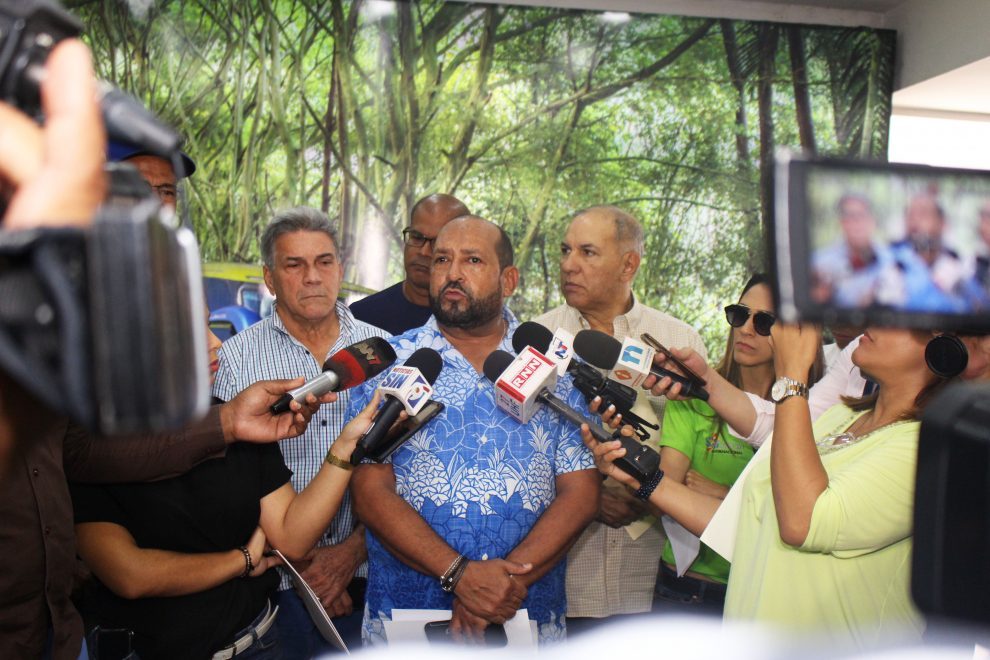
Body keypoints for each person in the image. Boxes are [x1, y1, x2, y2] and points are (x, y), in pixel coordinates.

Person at [0, 40, 326, 660]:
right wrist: (239, 558)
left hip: (51, 629)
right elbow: (123, 562)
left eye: (167, 191)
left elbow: (77, 453)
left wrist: (229, 423)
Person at [585, 323, 961, 650]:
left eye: (899, 319)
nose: (875, 320)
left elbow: (803, 523)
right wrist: (643, 479)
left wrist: (793, 376)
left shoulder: (929, 448)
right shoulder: (842, 416)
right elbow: (748, 524)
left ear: (942, 348)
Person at [70, 314, 385, 660]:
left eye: (207, 324)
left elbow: (292, 538)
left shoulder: (238, 420)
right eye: (189, 330)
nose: (214, 343)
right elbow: (130, 575)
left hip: (259, 644)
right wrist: (243, 560)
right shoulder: (89, 449)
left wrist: (344, 448)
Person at [349, 215, 600, 644]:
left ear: (509, 279)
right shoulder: (394, 363)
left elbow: (580, 492)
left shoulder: (555, 365)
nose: (451, 272)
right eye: (442, 259)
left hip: (525, 616)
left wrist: (501, 586)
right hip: (406, 622)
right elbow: (370, 491)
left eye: (472, 260)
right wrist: (459, 575)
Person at [213, 207, 391, 656]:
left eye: (324, 262)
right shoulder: (237, 358)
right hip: (274, 585)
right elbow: (231, 481)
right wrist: (309, 567)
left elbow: (408, 472)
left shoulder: (384, 349)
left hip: (369, 573)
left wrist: (350, 555)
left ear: (341, 270)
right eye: (295, 264)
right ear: (270, 279)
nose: (313, 277)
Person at [533, 205, 707, 630]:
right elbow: (519, 456)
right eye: (565, 250)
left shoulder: (678, 342)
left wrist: (647, 491)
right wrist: (589, 498)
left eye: (587, 253)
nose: (569, 265)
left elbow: (698, 453)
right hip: (565, 575)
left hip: (653, 579)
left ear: (629, 264)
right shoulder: (537, 339)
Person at [652, 274, 822, 615]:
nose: (745, 329)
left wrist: (724, 494)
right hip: (683, 589)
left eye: (764, 322)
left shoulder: (814, 410)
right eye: (740, 315)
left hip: (766, 591)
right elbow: (662, 495)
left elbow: (808, 514)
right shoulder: (691, 395)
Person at [350, 194, 470, 334]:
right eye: (417, 237)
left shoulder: (475, 322)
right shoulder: (361, 317)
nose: (424, 252)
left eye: (436, 242)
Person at [810, 193, 900, 308]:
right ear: (841, 222)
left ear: (872, 221)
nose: (857, 222)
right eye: (850, 216)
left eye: (862, 215)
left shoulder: (892, 259)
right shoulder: (819, 261)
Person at [890, 193, 968, 312]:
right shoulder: (890, 259)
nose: (915, 220)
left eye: (923, 214)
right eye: (910, 215)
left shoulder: (958, 266)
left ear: (942, 224)